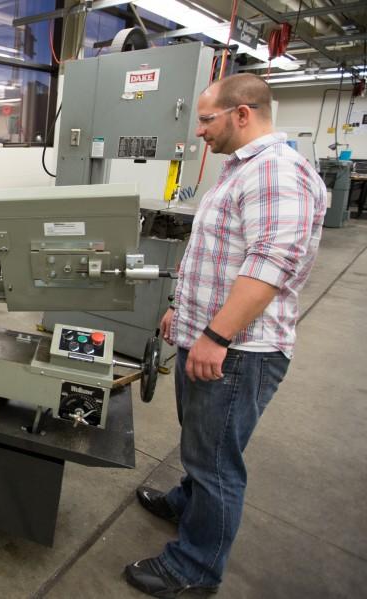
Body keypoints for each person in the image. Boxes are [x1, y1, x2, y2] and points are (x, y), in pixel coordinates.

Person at [124, 73, 326, 597]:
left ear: (242, 113)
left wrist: (216, 334)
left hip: (239, 350)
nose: (199, 132)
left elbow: (269, 266)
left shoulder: (278, 173)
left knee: (216, 464)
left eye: (207, 119)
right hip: (208, 334)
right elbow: (211, 254)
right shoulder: (240, 171)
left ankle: (194, 567)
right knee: (201, 448)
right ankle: (186, 506)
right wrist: (180, 312)